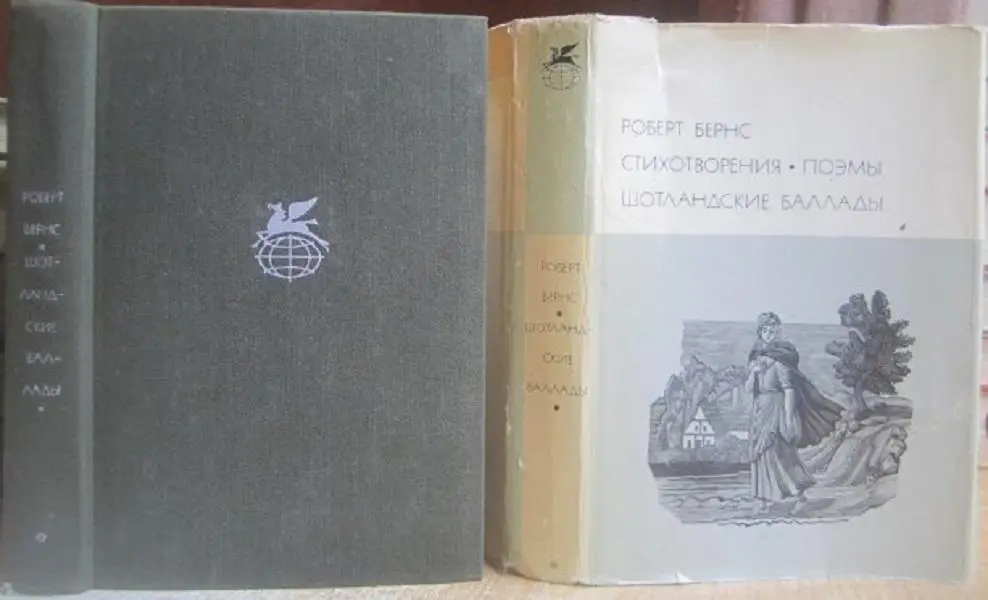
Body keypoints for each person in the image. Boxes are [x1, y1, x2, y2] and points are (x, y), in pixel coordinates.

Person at [744, 312, 843, 506]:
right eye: (766, 331)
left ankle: (795, 490)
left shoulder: (781, 361)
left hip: (776, 407)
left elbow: (789, 389)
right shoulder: (755, 359)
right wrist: (753, 373)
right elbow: (748, 389)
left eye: (773, 331)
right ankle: (765, 494)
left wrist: (789, 417)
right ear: (760, 332)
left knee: (777, 448)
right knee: (760, 452)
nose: (770, 334)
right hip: (759, 409)